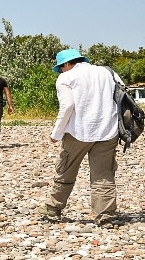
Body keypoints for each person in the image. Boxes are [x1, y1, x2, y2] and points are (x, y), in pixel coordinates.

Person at [37, 49, 122, 227]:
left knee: (66, 170)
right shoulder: (108, 72)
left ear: (66, 64)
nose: (60, 71)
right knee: (103, 175)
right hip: (108, 131)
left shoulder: (66, 77)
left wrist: (56, 133)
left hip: (78, 132)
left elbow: (67, 106)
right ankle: (105, 216)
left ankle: (53, 209)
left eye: (60, 68)